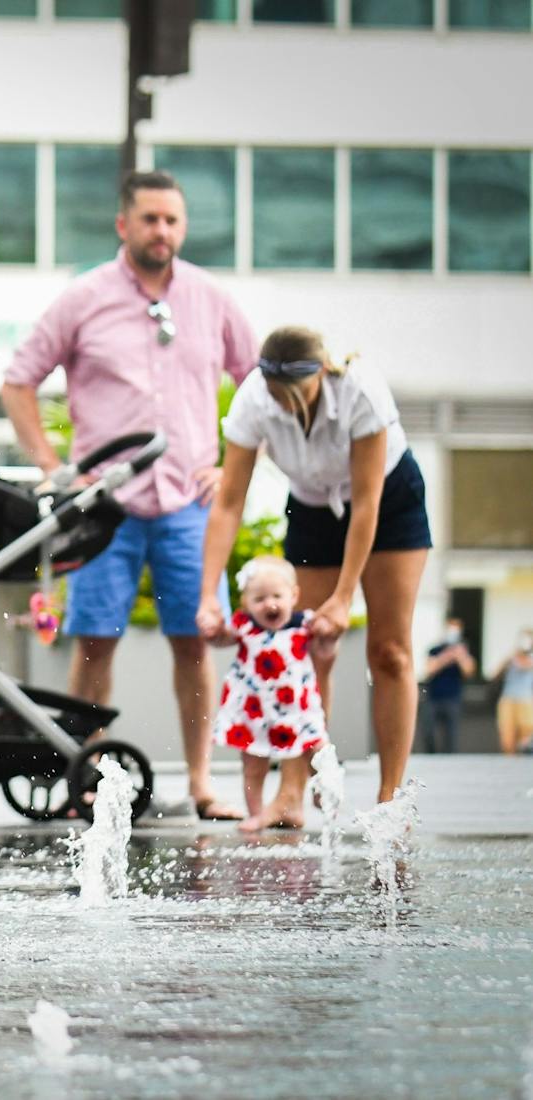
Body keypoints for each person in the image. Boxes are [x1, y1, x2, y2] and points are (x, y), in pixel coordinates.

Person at [2, 169, 256, 822]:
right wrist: (55, 468)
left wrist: (232, 467)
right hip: (105, 507)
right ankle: (84, 779)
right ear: (124, 224)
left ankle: (202, 783)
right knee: (93, 641)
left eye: (173, 219)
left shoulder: (211, 298)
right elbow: (18, 379)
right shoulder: (82, 298)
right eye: (150, 219)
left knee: (194, 644)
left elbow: (255, 383)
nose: (162, 231)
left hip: (190, 503)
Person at [198, 324, 431, 829]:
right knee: (304, 651)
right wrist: (208, 595)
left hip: (388, 503)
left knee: (389, 651)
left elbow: (366, 505)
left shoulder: (360, 390)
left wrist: (345, 596)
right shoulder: (253, 400)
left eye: (293, 395)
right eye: (274, 394)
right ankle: (292, 794)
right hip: (311, 505)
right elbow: (228, 504)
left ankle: (390, 800)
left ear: (322, 372)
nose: (281, 405)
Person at [206, 556, 333, 829]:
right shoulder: (243, 625)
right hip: (255, 711)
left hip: (297, 709)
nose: (270, 604)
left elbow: (326, 650)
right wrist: (212, 633)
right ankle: (256, 814)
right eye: (260, 598)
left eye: (277, 595)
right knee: (253, 766)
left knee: (317, 750)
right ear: (246, 603)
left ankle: (321, 790)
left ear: (294, 595)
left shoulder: (305, 625)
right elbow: (220, 640)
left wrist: (329, 634)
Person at [421, 616, 475, 754]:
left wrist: (460, 656)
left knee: (451, 734)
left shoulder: (463, 650)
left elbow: (469, 671)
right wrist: (447, 656)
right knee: (428, 731)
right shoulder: (435, 649)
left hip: (453, 698)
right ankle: (430, 756)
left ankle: (450, 759)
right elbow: (429, 670)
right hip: (433, 697)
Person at [492, 631, 533, 755]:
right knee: (507, 737)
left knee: (525, 735)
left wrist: (520, 657)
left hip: (525, 700)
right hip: (508, 699)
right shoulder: (511, 657)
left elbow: (525, 666)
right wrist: (509, 658)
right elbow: (495, 674)